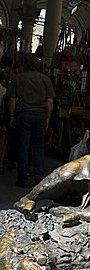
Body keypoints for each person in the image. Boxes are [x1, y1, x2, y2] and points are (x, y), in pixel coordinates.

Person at [7, 54, 55, 187]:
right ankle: (38, 177)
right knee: (39, 147)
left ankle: (22, 178)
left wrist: (12, 116)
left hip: (23, 115)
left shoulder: (18, 78)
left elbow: (12, 100)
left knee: (23, 147)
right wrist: (47, 118)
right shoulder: (45, 79)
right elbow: (50, 101)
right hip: (40, 115)